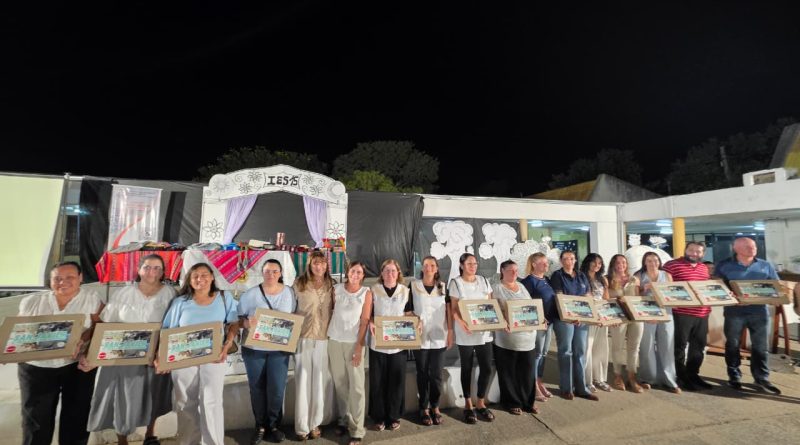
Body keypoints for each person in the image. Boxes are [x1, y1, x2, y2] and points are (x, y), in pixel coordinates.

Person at [85, 254, 177, 445]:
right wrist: (93, 352)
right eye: (147, 267)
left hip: (155, 354)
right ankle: (122, 440)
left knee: (153, 393)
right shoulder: (124, 293)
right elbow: (105, 323)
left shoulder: (170, 293)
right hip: (123, 354)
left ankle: (150, 434)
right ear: (138, 269)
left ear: (163, 272)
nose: (151, 272)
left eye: (157, 268)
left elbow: (175, 324)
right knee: (123, 397)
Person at [17, 261, 103, 445]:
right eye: (57, 278)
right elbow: (18, 332)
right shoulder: (32, 302)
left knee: (77, 415)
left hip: (77, 365)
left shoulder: (92, 299)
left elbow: (100, 326)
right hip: (36, 367)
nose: (63, 282)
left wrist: (84, 342)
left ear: (80, 278)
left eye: (69, 277)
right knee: (36, 420)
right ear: (50, 281)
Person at [159, 262, 239, 445]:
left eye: (204, 275)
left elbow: (234, 323)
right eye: (195, 276)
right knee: (185, 402)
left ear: (212, 278)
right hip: (183, 360)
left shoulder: (224, 297)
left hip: (215, 358)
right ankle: (189, 442)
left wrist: (227, 345)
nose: (199, 279)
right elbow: (167, 331)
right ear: (189, 280)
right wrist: (161, 358)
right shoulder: (180, 302)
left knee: (212, 402)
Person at [239, 259, 297, 443]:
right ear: (262, 273)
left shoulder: (289, 292)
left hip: (279, 350)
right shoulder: (250, 294)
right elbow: (237, 319)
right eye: (267, 271)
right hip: (254, 350)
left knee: (277, 389)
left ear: (281, 273)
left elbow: (293, 317)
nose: (271, 274)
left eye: (274, 271)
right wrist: (246, 322)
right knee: (257, 389)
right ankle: (260, 426)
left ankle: (274, 425)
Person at [715, 237, 782, 394]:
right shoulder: (724, 265)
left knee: (761, 347)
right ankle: (734, 376)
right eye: (747, 246)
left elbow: (776, 286)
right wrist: (731, 298)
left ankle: (761, 378)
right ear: (736, 248)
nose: (752, 249)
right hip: (734, 312)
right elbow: (717, 286)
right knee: (732, 345)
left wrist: (776, 297)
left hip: (759, 312)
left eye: (754, 246)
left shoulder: (765, 265)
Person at [327, 261, 372, 445]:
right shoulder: (336, 289)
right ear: (347, 272)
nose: (355, 274)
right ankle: (343, 420)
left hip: (354, 343)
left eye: (359, 272)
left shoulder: (366, 293)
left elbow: (365, 320)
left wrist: (359, 347)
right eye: (353, 271)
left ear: (363, 275)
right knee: (340, 384)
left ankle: (357, 429)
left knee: (357, 387)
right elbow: (331, 311)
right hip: (334, 341)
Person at [293, 251, 336, 441]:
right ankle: (302, 426)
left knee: (319, 381)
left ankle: (315, 423)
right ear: (310, 265)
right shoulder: (299, 284)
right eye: (316, 263)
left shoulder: (332, 285)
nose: (320, 266)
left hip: (323, 338)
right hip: (303, 337)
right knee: (303, 380)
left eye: (323, 263)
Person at [449, 253, 496, 423]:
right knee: (467, 367)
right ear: (461, 265)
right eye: (469, 264)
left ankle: (481, 402)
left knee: (486, 367)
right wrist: (461, 323)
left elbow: (490, 304)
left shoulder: (483, 280)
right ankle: (468, 405)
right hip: (465, 331)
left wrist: (495, 320)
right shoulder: (456, 283)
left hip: (483, 331)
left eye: (475, 263)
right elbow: (453, 308)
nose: (473, 266)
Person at [405, 256, 451, 426]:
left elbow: (448, 311)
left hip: (439, 336)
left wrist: (451, 332)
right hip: (421, 336)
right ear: (422, 268)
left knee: (437, 374)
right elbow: (407, 310)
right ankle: (423, 408)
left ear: (437, 268)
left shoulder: (443, 287)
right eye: (426, 265)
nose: (429, 268)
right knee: (422, 373)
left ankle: (435, 406)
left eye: (432, 265)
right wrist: (415, 319)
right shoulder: (413, 286)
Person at [368, 259, 411, 432]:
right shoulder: (374, 290)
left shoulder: (405, 291)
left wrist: (417, 322)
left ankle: (394, 416)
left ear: (398, 273)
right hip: (378, 343)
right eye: (386, 270)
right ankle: (378, 417)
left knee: (397, 381)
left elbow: (408, 313)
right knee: (377, 381)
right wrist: (371, 321)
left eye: (393, 270)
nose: (390, 273)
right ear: (381, 273)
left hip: (398, 344)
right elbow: (369, 313)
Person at [663, 242, 713, 391]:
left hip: (703, 313)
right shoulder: (671, 265)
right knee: (679, 346)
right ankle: (680, 376)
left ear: (703, 254)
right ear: (685, 250)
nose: (694, 254)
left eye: (698, 251)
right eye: (691, 250)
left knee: (698, 346)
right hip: (681, 313)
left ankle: (693, 374)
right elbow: (664, 286)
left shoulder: (703, 267)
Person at [549, 251, 598, 401]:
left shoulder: (582, 276)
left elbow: (588, 295)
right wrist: (572, 313)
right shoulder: (557, 276)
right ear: (561, 261)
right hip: (564, 319)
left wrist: (579, 313)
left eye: (571, 258)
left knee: (580, 352)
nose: (569, 261)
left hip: (581, 319)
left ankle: (582, 388)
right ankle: (566, 388)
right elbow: (559, 297)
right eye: (565, 259)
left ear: (575, 260)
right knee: (566, 352)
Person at [492, 260, 538, 415]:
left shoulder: (522, 287)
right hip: (507, 339)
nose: (514, 273)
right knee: (508, 372)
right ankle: (511, 403)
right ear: (502, 271)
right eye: (510, 270)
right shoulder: (496, 288)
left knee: (528, 372)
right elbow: (494, 310)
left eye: (516, 270)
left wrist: (540, 318)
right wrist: (503, 321)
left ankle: (528, 402)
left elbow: (532, 307)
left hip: (528, 338)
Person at [635, 252, 681, 394]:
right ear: (644, 262)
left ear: (659, 262)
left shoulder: (666, 275)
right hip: (647, 313)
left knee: (667, 345)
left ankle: (669, 380)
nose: (652, 263)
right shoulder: (639, 276)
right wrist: (643, 289)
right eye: (649, 260)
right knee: (647, 345)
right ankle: (647, 378)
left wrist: (656, 288)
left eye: (655, 260)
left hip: (666, 313)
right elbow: (635, 297)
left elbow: (672, 294)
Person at [606, 254, 647, 393]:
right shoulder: (607, 279)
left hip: (635, 317)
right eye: (618, 262)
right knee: (617, 347)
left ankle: (632, 377)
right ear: (613, 264)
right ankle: (617, 376)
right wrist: (610, 317)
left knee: (634, 347)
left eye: (623, 262)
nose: (621, 264)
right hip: (618, 318)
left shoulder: (634, 279)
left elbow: (638, 298)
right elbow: (605, 300)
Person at [520, 252, 555, 402]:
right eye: (543, 263)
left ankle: (539, 381)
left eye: (547, 262)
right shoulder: (528, 282)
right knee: (537, 354)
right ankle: (532, 384)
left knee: (544, 353)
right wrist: (539, 318)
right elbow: (526, 304)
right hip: (538, 324)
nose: (547, 265)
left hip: (550, 323)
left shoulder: (547, 280)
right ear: (534, 264)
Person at [580, 253, 612, 392]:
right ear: (588, 262)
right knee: (587, 349)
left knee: (601, 348)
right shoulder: (581, 277)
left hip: (602, 317)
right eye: (594, 262)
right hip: (588, 317)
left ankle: (600, 379)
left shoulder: (602, 279)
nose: (596, 265)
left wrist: (607, 316)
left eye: (599, 263)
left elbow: (606, 299)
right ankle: (587, 381)